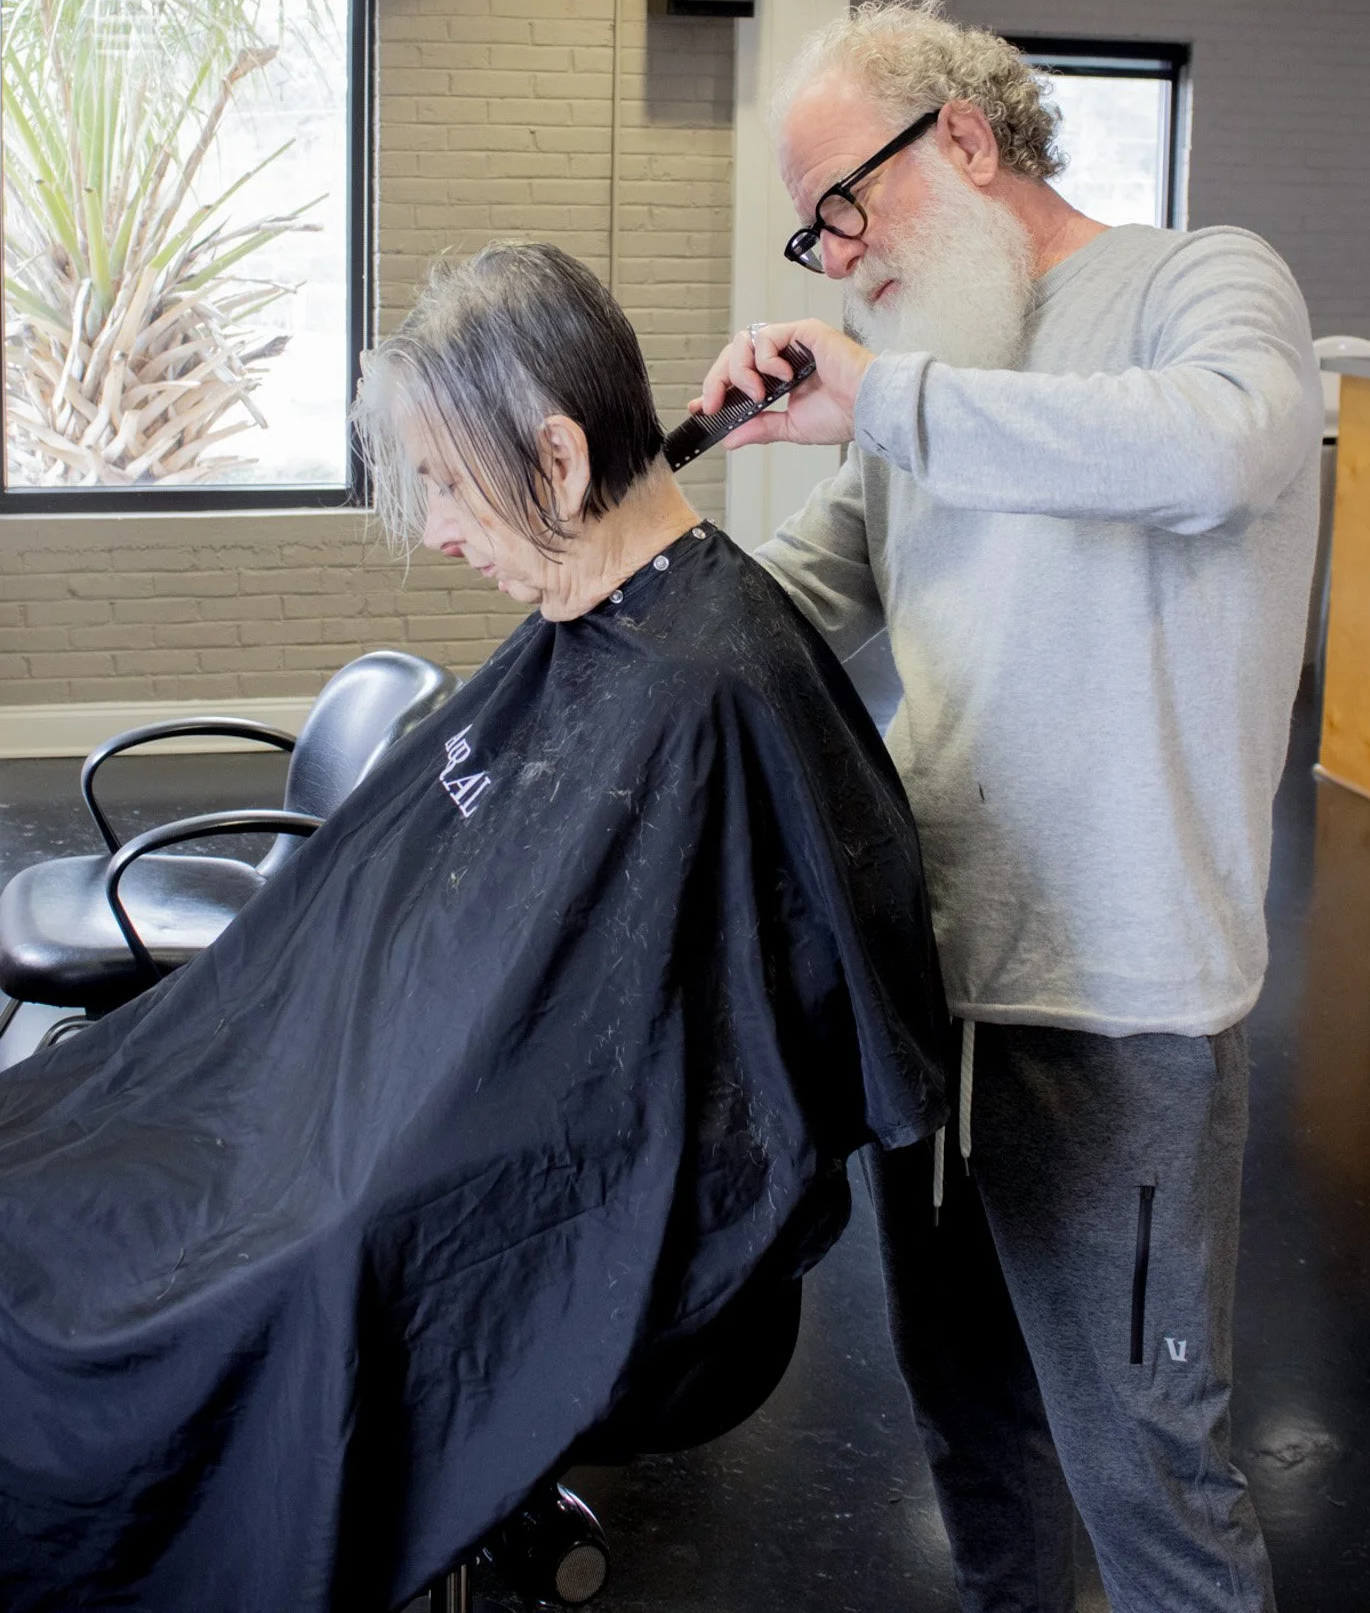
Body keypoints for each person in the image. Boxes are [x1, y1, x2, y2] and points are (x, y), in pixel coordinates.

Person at [0, 242, 947, 1613]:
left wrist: (364, 1168)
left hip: (456, 1192)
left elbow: (677, 1089)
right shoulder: (603, 626)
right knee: (56, 1169)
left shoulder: (707, 696)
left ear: (560, 462)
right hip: (338, 1114)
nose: (439, 529)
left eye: (446, 483)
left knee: (236, 1290)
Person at [697, 0, 1321, 1613]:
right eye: (811, 233)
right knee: (973, 1439)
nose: (831, 259)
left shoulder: (1201, 281)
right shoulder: (933, 371)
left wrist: (884, 398)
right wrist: (613, 563)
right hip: (935, 994)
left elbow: (1224, 445)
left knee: (1144, 1465)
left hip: (1118, 1018)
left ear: (962, 141)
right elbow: (796, 596)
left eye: (842, 205)